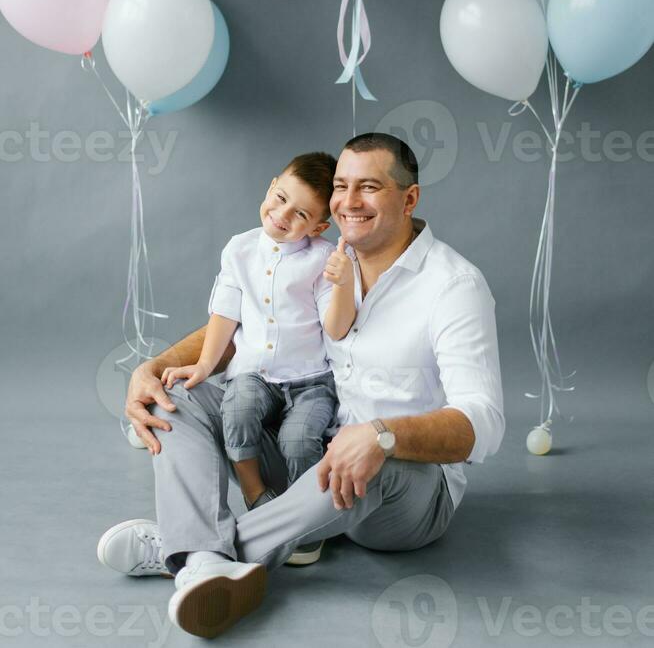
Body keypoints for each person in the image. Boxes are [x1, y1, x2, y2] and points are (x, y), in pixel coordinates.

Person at [98, 133, 505, 641]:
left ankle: (184, 550)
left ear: (409, 197)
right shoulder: (322, 258)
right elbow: (249, 325)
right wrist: (154, 367)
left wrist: (382, 435)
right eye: (341, 186)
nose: (349, 202)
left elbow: (483, 423)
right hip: (307, 453)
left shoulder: (453, 285)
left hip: (404, 494)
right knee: (177, 396)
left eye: (370, 187)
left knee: (370, 457)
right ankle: (205, 559)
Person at [157, 151, 344, 557]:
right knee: (237, 410)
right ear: (271, 184)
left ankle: (303, 520)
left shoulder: (324, 259)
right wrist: (205, 365)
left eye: (299, 214)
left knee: (299, 439)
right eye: (279, 198)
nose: (281, 215)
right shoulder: (239, 249)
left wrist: (342, 285)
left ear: (319, 226)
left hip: (309, 380)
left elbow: (334, 325)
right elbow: (225, 312)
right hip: (253, 373)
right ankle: (258, 495)